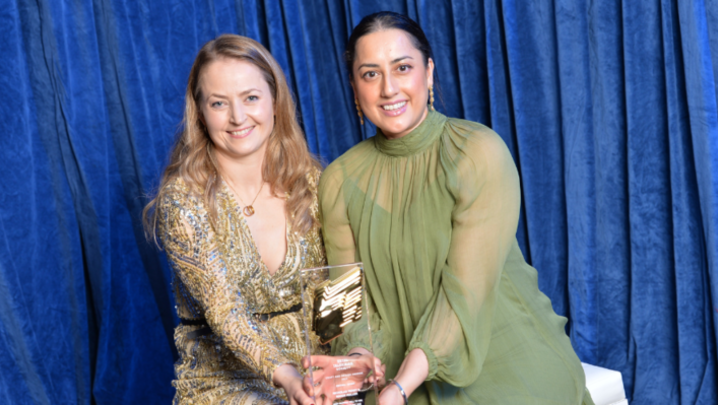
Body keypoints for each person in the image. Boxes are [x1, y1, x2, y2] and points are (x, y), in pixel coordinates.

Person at [317, 12, 594, 405]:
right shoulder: (337, 180)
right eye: (370, 74)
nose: (389, 88)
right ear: (354, 86)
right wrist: (358, 356)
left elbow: (463, 293)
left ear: (428, 73)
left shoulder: (477, 152)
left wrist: (400, 387)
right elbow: (339, 301)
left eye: (403, 68)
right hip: (394, 385)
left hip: (506, 369)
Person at [143, 34, 325, 405]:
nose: (238, 117)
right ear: (200, 112)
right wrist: (287, 378)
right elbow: (227, 315)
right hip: (226, 386)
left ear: (275, 101)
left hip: (316, 371)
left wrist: (347, 362)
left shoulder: (312, 182)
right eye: (219, 103)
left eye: (251, 98)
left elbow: (335, 288)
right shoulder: (183, 201)